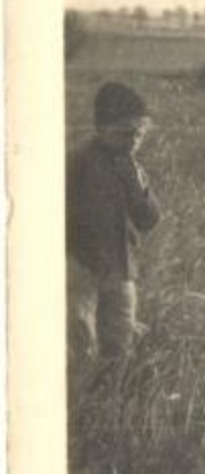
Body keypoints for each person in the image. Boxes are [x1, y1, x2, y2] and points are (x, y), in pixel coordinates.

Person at [67, 82, 160, 362]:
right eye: (123, 133)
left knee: (120, 340)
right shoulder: (78, 162)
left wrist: (134, 184)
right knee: (80, 339)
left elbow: (148, 220)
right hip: (80, 265)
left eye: (139, 135)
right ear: (100, 130)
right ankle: (81, 396)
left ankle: (110, 392)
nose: (132, 141)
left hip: (121, 269)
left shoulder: (133, 168)